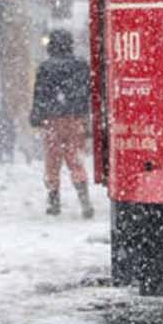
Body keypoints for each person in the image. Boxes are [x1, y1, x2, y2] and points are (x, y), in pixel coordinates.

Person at [28, 30, 94, 218]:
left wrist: (37, 115)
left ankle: (53, 200)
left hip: (52, 120)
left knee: (52, 161)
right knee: (76, 160)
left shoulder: (45, 68)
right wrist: (86, 117)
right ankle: (84, 199)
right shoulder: (81, 66)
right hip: (75, 119)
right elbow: (87, 93)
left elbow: (40, 94)